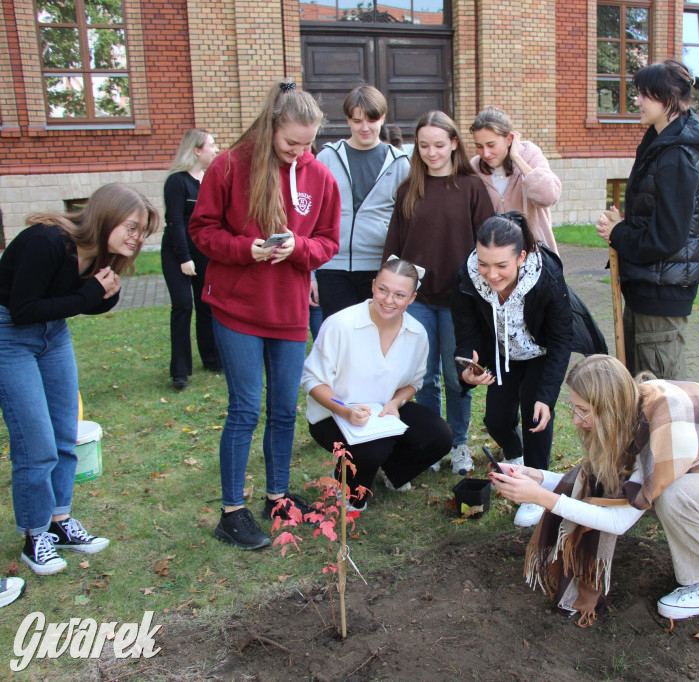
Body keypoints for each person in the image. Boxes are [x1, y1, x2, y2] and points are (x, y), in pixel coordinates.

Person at [490, 355, 699, 625]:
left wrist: (543, 499)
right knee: (660, 490)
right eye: (574, 408)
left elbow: (620, 519)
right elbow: (603, 484)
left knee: (672, 495)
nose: (576, 420)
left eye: (583, 411)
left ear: (609, 407)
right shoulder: (637, 402)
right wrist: (535, 478)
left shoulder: (666, 426)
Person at [190, 80, 341, 550]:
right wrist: (244, 250)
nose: (300, 151)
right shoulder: (230, 165)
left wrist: (300, 247)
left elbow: (328, 242)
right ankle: (231, 511)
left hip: (290, 310)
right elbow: (202, 229)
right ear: (272, 126)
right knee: (245, 408)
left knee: (282, 410)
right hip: (237, 307)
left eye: (308, 143)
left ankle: (277, 496)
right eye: (291, 142)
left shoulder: (319, 176)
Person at [0, 183, 159, 575]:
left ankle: (59, 522)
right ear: (105, 216)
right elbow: (23, 309)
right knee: (35, 442)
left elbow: (81, 302)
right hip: (10, 335)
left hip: (53, 334)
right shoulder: (47, 242)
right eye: (132, 228)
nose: (137, 239)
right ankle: (35, 535)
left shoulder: (99, 255)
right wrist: (90, 295)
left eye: (142, 232)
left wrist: (100, 295)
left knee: (63, 433)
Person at [382, 110, 493, 475]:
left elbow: (488, 245)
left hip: (459, 301)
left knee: (454, 373)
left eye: (439, 145)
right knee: (422, 376)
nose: (431, 152)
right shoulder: (408, 189)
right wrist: (391, 295)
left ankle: (459, 443)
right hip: (418, 301)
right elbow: (394, 248)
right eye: (424, 145)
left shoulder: (471, 187)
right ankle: (431, 441)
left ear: (454, 144)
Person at [451, 212, 572, 527]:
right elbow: (466, 336)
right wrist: (468, 365)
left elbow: (561, 339)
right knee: (496, 420)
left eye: (501, 265)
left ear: (521, 256)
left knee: (535, 418)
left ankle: (535, 489)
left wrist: (546, 395)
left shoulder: (547, 277)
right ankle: (515, 455)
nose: (491, 274)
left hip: (540, 352)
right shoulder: (466, 278)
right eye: (484, 263)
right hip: (503, 355)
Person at [302, 258, 452, 508]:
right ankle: (348, 486)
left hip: (381, 412)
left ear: (412, 299)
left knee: (439, 437)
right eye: (383, 290)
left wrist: (395, 402)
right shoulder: (341, 324)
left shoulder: (417, 333)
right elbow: (312, 380)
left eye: (399, 294)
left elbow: (414, 384)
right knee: (374, 449)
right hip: (333, 415)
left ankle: (391, 471)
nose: (388, 300)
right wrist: (344, 410)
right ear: (373, 286)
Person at [595, 59, 699, 381]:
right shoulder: (661, 146)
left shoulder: (676, 158)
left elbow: (667, 238)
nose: (637, 101)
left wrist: (619, 234)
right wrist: (624, 224)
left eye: (643, 94)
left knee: (662, 401)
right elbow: (654, 217)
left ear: (668, 97)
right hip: (648, 289)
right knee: (642, 395)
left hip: (662, 297)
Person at [316, 85, 411, 319]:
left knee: (375, 341)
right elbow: (311, 216)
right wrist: (311, 274)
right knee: (338, 342)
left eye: (372, 120)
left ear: (383, 118)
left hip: (378, 268)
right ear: (348, 119)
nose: (365, 128)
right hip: (331, 266)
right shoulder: (327, 157)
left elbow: (408, 220)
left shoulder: (399, 163)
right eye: (357, 121)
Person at [161, 128, 222, 390]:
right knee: (183, 305)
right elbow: (175, 222)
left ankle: (211, 359)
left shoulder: (209, 180)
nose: (216, 149)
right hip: (178, 252)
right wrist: (184, 258)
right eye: (211, 145)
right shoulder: (177, 181)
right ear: (197, 150)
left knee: (206, 305)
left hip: (203, 252)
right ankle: (180, 370)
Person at [469, 108, 561, 253]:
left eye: (491, 145)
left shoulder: (530, 156)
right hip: (497, 260)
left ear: (509, 139)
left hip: (535, 255)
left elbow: (549, 197)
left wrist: (517, 158)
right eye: (479, 146)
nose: (485, 153)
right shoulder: (474, 167)